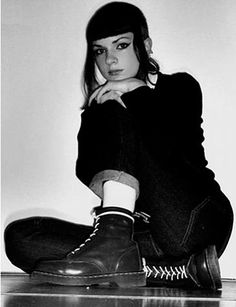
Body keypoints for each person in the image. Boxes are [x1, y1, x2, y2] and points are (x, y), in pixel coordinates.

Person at [4, 2, 233, 290]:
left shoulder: (179, 87)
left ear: (145, 45)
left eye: (121, 45)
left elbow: (172, 141)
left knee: (112, 108)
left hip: (197, 218)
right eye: (100, 51)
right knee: (21, 238)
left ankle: (117, 252)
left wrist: (132, 91)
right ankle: (172, 269)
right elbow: (88, 171)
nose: (110, 60)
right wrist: (104, 117)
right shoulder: (99, 110)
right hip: (144, 235)